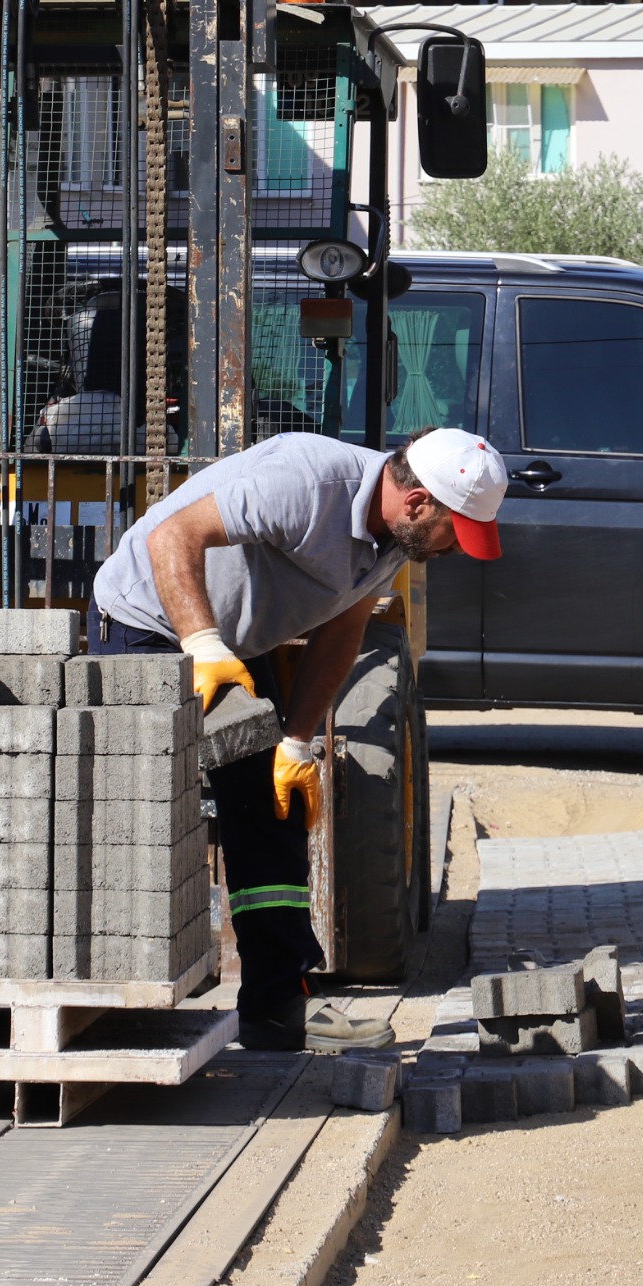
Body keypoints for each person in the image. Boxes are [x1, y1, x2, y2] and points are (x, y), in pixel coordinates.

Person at [88, 427, 507, 1050]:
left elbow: (342, 630)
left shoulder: (394, 537)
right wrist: (201, 646)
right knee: (144, 810)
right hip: (148, 619)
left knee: (270, 800)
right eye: (456, 533)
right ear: (418, 502)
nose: (453, 551)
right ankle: (111, 995)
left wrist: (298, 741)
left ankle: (276, 1004)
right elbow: (170, 536)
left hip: (231, 644)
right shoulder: (309, 486)